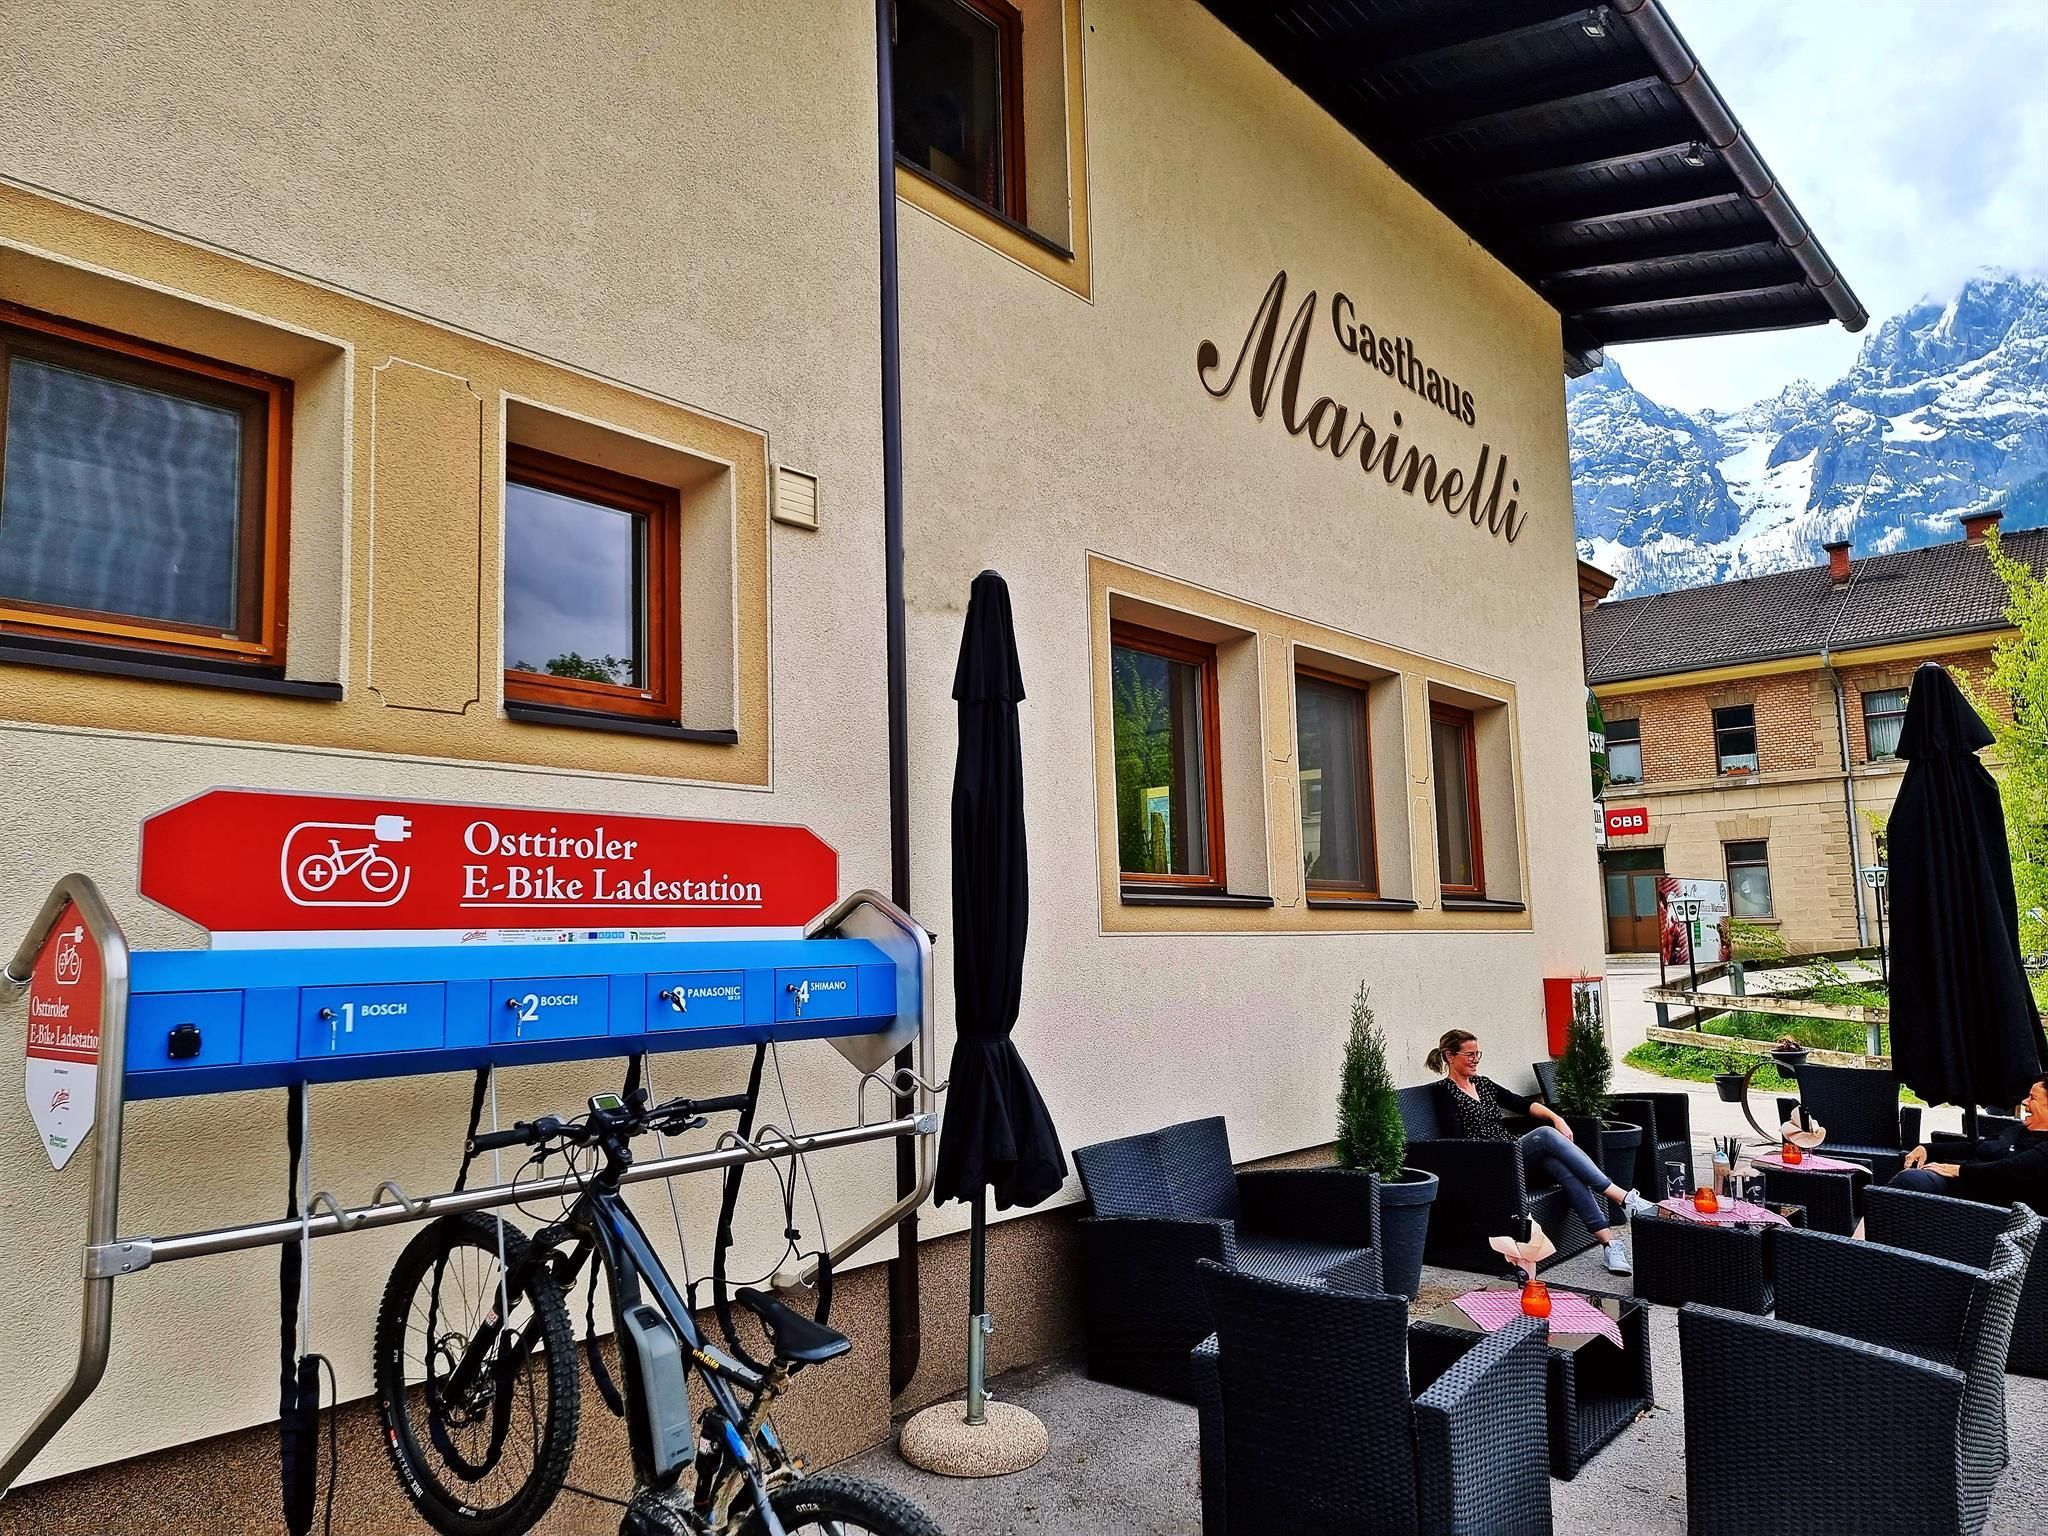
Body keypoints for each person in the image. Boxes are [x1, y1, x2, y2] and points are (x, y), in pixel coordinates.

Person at [1426, 1028, 1657, 1275]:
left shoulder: (1483, 1083)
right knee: (1545, 1134)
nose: (1475, 1060)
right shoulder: (1443, 1091)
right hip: (1489, 1162)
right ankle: (1623, 1198)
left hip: (1514, 1156)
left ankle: (1610, 1244)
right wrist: (1543, 1129)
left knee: (1563, 1169)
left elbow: (1523, 1104)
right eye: (1469, 1055)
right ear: (1450, 1056)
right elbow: (1456, 1139)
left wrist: (1557, 1118)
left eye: (1477, 1054)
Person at [1887, 1071, 2048, 1215]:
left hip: (1982, 1210)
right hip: (1959, 1191)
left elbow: (2010, 1169)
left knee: (1910, 1180)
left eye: (2033, 1098)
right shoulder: (2019, 1130)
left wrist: (1958, 1170)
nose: (2025, 1102)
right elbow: (1975, 1146)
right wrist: (1928, 1149)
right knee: (1907, 1168)